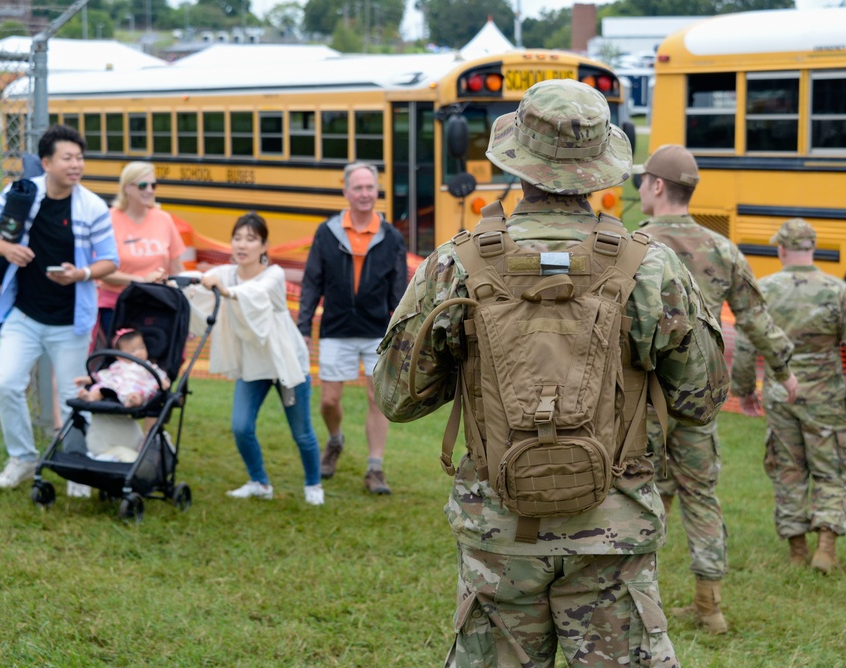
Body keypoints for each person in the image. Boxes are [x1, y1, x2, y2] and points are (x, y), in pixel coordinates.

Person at [374, 79, 729, 667]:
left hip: (500, 533)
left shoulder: (455, 263)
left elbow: (396, 397)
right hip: (612, 533)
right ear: (601, 168)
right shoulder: (652, 267)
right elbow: (702, 398)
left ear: (520, 165)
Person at [634, 143, 799, 634]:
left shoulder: (635, 245)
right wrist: (784, 369)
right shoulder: (722, 248)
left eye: (643, 180)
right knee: (700, 495)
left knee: (639, 495)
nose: (641, 187)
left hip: (642, 399)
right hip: (697, 398)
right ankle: (710, 606)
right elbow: (756, 318)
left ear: (658, 186)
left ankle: (644, 601)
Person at [0, 124, 118, 489]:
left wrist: (81, 273)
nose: (76, 165)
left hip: (71, 320)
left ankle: (77, 468)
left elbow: (110, 261)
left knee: (73, 398)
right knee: (6, 383)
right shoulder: (20, 193)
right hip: (23, 314)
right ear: (47, 162)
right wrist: (7, 249)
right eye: (67, 158)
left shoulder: (93, 206)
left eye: (80, 158)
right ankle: (21, 457)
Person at [731, 218, 846, 574]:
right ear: (812, 249)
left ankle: (797, 551)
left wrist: (746, 391)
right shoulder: (839, 290)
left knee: (788, 471)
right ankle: (825, 549)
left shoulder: (763, 290)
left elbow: (746, 348)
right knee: (831, 469)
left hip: (782, 396)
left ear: (781, 249)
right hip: (827, 396)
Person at [189, 213, 324, 506]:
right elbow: (199, 284)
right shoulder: (226, 273)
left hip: (286, 363)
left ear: (264, 246)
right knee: (241, 426)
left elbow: (256, 293)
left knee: (301, 433)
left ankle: (313, 485)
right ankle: (259, 482)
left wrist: (226, 291)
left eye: (250, 239)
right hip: (253, 364)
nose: (242, 245)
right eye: (237, 238)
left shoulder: (272, 275)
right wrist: (171, 281)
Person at [297, 162, 408, 495]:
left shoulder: (391, 237)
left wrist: (400, 330)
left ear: (377, 192)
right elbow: (311, 282)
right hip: (335, 328)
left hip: (377, 331)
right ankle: (335, 441)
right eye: (357, 188)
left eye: (369, 188)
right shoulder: (327, 232)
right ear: (345, 192)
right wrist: (303, 325)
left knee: (378, 399)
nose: (364, 194)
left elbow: (400, 291)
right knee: (329, 400)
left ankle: (375, 468)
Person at [96, 161, 186, 339]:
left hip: (158, 306)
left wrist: (182, 297)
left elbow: (177, 268)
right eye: (143, 185)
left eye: (154, 185)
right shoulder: (108, 220)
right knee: (124, 364)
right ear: (127, 188)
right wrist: (142, 281)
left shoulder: (164, 219)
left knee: (158, 363)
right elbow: (101, 271)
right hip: (117, 307)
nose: (150, 190)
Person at [74, 328, 170, 407]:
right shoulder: (118, 365)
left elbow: (159, 374)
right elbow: (104, 374)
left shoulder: (148, 366)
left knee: (139, 394)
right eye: (132, 351)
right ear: (120, 356)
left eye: (141, 347)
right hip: (114, 388)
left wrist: (163, 381)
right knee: (101, 388)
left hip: (135, 387)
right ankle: (90, 397)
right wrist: (87, 380)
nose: (139, 352)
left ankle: (132, 401)